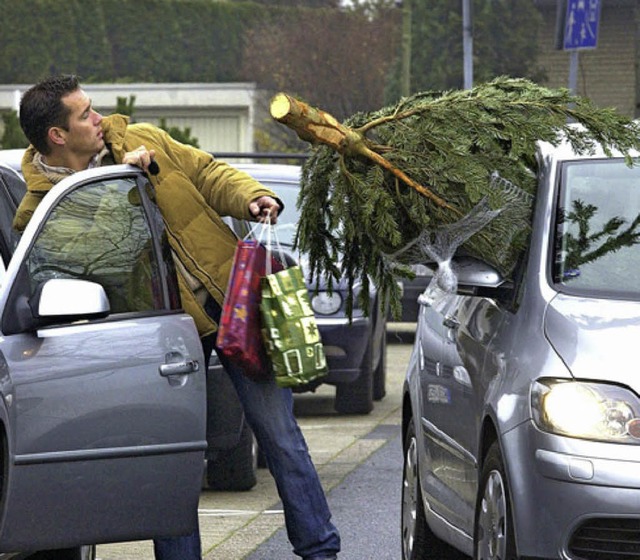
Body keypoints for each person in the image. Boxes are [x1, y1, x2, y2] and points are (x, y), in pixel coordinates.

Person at [14, 74, 340, 560]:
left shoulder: (144, 140)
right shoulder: (42, 210)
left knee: (281, 438)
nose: (98, 118)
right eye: (85, 115)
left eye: (93, 108)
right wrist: (119, 187)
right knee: (178, 459)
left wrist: (251, 196)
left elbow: (208, 172)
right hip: (164, 338)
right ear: (57, 136)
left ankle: (321, 550)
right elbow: (91, 258)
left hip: (233, 305)